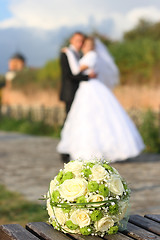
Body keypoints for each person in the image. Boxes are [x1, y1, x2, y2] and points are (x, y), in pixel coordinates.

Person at [57, 37, 145, 162]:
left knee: (96, 118)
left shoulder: (91, 55)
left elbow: (76, 70)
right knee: (85, 118)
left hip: (91, 88)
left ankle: (102, 151)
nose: (85, 46)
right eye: (84, 44)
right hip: (85, 88)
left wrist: (68, 53)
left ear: (93, 46)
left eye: (88, 44)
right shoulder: (87, 56)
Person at [59, 32, 96, 163]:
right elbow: (70, 75)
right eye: (77, 41)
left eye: (82, 41)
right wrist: (87, 77)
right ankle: (64, 151)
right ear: (72, 40)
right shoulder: (65, 53)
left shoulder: (79, 54)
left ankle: (74, 148)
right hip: (70, 92)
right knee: (69, 120)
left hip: (80, 93)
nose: (79, 43)